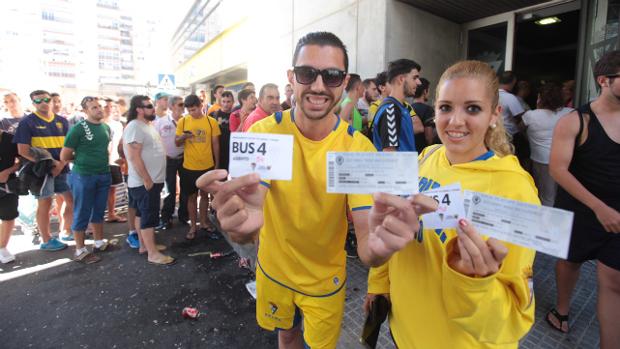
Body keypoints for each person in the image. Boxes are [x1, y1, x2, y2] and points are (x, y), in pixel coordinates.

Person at [197, 31, 434, 349]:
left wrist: (380, 249)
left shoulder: (358, 148)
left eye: (332, 76)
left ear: (344, 81)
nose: (319, 86)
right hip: (274, 271)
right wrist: (238, 228)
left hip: (325, 282)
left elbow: (366, 240)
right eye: (308, 73)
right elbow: (249, 214)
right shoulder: (265, 131)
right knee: (286, 335)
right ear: (291, 77)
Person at [366, 60, 539, 348]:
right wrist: (379, 284)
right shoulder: (427, 158)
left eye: (472, 108)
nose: (455, 121)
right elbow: (394, 232)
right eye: (446, 107)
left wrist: (475, 282)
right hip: (404, 332)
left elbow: (511, 322)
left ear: (495, 114)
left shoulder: (516, 190)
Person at [547, 51, 620, 348]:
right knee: (570, 262)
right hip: (579, 210)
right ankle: (561, 309)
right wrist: (598, 207)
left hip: (617, 215)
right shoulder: (575, 121)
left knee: (613, 281)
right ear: (604, 81)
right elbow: (557, 169)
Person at [14, 90, 72, 251]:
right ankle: (46, 240)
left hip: (62, 167)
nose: (43, 103)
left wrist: (60, 164)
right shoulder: (27, 122)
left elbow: (68, 147)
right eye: (38, 101)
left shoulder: (62, 121)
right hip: (41, 172)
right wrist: (49, 164)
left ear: (52, 100)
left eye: (46, 99)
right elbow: (23, 150)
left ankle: (66, 231)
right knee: (45, 203)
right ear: (33, 103)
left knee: (71, 200)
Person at [123, 95, 174, 265]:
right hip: (145, 182)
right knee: (149, 216)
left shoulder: (146, 125)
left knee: (141, 213)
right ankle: (152, 253)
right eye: (149, 106)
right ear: (138, 109)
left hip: (151, 180)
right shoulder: (135, 126)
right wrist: (146, 178)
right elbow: (133, 155)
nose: (153, 108)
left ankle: (145, 246)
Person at [60, 97, 112, 263]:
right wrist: (82, 159)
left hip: (103, 174)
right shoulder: (78, 129)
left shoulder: (105, 127)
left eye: (99, 106)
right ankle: (80, 250)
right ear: (85, 111)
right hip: (83, 176)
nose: (98, 109)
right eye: (93, 107)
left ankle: (98, 242)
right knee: (81, 212)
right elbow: (64, 156)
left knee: (98, 210)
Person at [175, 94, 220, 240]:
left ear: (201, 106)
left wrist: (217, 164)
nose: (191, 113)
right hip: (189, 167)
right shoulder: (183, 121)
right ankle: (193, 226)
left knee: (205, 195)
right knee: (191, 197)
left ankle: (204, 222)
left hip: (207, 166)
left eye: (194, 109)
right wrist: (183, 137)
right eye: (189, 110)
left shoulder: (211, 121)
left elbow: (215, 144)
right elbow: (177, 142)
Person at [520, 83, 572, 206]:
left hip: (542, 159)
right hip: (566, 158)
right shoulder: (570, 113)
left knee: (546, 195)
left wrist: (529, 137)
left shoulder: (531, 115)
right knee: (564, 193)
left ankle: (547, 221)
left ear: (541, 99)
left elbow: (519, 129)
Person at [371, 59, 423, 152]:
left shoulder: (401, 107)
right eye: (414, 78)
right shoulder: (390, 110)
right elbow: (390, 154)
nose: (419, 82)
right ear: (401, 79)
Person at [154, 95, 188, 229]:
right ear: (172, 106)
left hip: (185, 158)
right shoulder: (161, 122)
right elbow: (155, 141)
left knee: (185, 189)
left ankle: (183, 216)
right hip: (167, 160)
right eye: (180, 104)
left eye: (183, 104)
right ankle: (166, 217)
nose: (183, 107)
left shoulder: (187, 120)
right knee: (170, 190)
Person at [103, 98, 127, 224]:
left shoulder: (118, 125)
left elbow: (121, 143)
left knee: (112, 189)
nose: (108, 109)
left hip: (114, 162)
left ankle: (111, 214)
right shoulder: (92, 125)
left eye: (111, 106)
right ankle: (93, 219)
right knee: (98, 190)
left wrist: (123, 159)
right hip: (99, 164)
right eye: (105, 106)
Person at [0, 129, 20, 263]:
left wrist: (8, 171)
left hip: (8, 184)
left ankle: (2, 247)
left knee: (9, 215)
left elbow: (22, 159)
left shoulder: (11, 138)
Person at [210, 90, 234, 171]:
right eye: (223, 101)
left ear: (233, 102)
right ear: (220, 102)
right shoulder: (213, 115)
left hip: (231, 152)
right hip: (217, 152)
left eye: (228, 101)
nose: (226, 104)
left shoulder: (236, 115)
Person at [411, 77, 437, 150]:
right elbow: (429, 136)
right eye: (428, 90)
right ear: (425, 91)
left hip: (410, 151)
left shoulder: (408, 108)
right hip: (423, 152)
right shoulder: (428, 109)